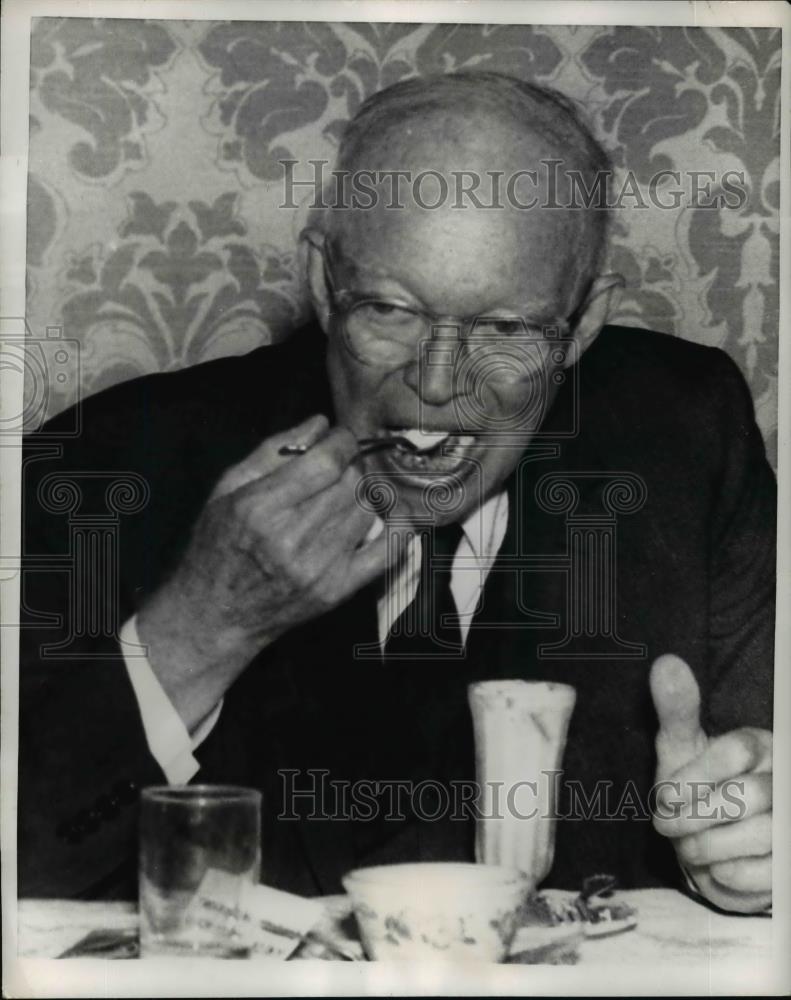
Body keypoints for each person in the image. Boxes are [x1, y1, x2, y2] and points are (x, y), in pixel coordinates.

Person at [19, 72, 774, 913]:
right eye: (389, 309)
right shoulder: (112, 461)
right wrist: (204, 626)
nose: (438, 382)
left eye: (506, 328)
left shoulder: (685, 432)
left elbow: (762, 768)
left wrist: (752, 841)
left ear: (584, 322)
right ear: (319, 280)